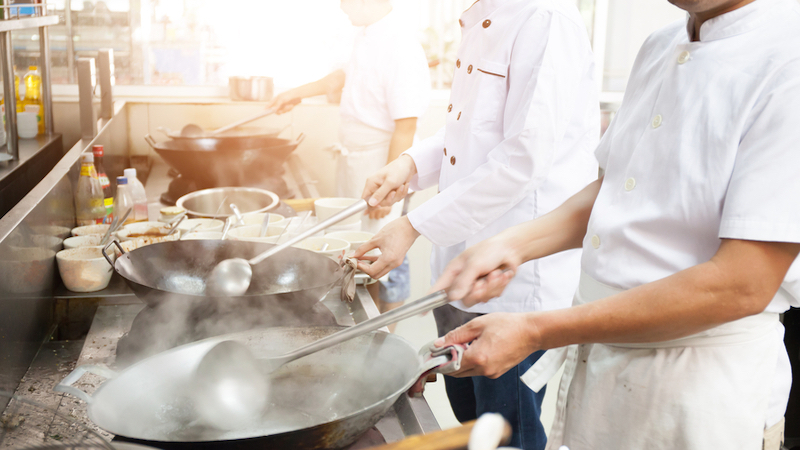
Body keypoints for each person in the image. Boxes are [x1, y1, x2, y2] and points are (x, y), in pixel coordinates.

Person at [424, 0, 800, 448]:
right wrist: (512, 243)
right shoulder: (661, 45)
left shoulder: (788, 57)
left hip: (699, 388)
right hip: (604, 368)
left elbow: (743, 283)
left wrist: (537, 330)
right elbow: (615, 187)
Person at [353, 1, 600, 448]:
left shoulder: (546, 19)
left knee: (507, 431)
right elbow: (466, 130)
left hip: (516, 282)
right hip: (460, 267)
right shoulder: (481, 13)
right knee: (469, 420)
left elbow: (524, 158)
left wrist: (413, 226)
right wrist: (408, 164)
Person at [268, 0, 430, 319]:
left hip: (384, 163)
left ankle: (385, 330)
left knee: (387, 250)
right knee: (362, 248)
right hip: (357, 162)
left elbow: (406, 126)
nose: (342, 7)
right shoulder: (365, 33)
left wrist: (389, 184)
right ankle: (367, 320)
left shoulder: (401, 46)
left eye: (347, 1)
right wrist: (296, 93)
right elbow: (339, 78)